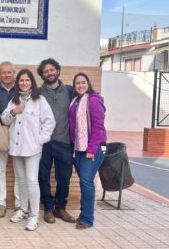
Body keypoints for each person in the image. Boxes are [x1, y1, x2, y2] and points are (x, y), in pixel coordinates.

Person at [1, 69, 55, 231]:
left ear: (32, 82)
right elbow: (4, 119)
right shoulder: (14, 100)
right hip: (17, 148)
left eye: (27, 80)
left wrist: (40, 140)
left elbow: (49, 123)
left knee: (32, 180)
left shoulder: (40, 100)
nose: (24, 83)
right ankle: (23, 210)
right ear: (18, 83)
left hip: (33, 148)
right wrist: (13, 111)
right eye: (21, 80)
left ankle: (34, 216)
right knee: (21, 180)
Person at [37, 58, 76, 224]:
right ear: (42, 75)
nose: (49, 73)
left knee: (64, 177)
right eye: (45, 71)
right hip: (44, 143)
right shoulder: (37, 93)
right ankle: (48, 208)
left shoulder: (69, 90)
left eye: (52, 70)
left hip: (64, 141)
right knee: (43, 176)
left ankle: (61, 208)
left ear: (58, 71)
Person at [68, 73, 107, 230]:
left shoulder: (94, 100)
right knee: (84, 181)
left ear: (88, 83)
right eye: (77, 83)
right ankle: (84, 213)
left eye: (83, 82)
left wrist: (91, 148)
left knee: (86, 181)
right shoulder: (76, 101)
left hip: (92, 148)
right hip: (78, 148)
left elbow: (98, 126)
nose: (80, 85)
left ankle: (87, 219)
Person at [0, 61, 20, 217]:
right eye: (4, 72)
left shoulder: (21, 90)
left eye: (10, 72)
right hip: (1, 134)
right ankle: (1, 202)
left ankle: (18, 203)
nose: (7, 75)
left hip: (19, 135)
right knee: (0, 170)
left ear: (13, 73)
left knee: (19, 170)